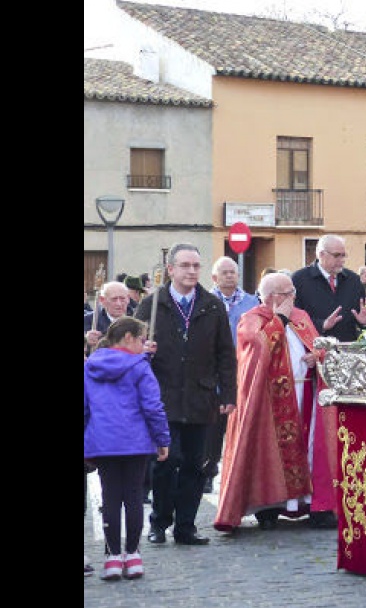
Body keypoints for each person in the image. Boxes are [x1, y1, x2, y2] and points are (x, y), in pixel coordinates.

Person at [214, 271, 341, 532]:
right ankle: (270, 507)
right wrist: (279, 319)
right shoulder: (251, 319)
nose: (294, 298)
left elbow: (319, 345)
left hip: (306, 393)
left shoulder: (301, 317)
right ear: (273, 297)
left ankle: (311, 504)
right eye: (288, 294)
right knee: (268, 452)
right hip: (268, 400)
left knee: (308, 449)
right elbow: (256, 349)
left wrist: (316, 355)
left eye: (293, 293)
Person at [135, 243, 237, 546]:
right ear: (171, 270)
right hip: (162, 398)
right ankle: (159, 523)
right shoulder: (152, 305)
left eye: (196, 266)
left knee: (195, 464)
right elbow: (130, 350)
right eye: (185, 266)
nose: (192, 271)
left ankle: (186, 526)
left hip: (201, 397)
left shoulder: (211, 305)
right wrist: (143, 351)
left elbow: (225, 354)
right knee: (166, 461)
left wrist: (228, 393)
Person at [84, 316, 171, 581]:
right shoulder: (139, 366)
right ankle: (132, 556)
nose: (144, 345)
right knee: (133, 497)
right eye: (141, 339)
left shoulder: (90, 367)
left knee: (110, 498)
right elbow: (152, 406)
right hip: (135, 441)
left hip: (103, 441)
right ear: (128, 338)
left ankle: (111, 558)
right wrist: (162, 439)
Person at [203, 256, 262, 493]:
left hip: (244, 371)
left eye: (233, 272)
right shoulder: (205, 301)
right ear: (214, 277)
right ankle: (207, 471)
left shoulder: (252, 302)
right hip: (213, 373)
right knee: (212, 428)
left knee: (242, 425)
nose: (229, 276)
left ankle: (242, 476)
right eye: (224, 272)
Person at [291, 234, 366, 343]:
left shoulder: (353, 280)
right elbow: (293, 318)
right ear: (321, 255)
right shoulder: (299, 280)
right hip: (313, 350)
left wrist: (365, 323)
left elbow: (360, 317)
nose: (342, 260)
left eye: (343, 255)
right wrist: (322, 324)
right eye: (336, 255)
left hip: (346, 350)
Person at [85, 281, 135, 355]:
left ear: (128, 299)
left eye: (122, 299)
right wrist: (86, 341)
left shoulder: (136, 321)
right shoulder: (89, 321)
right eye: (114, 299)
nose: (119, 303)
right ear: (102, 300)